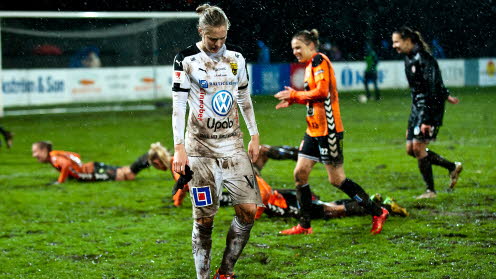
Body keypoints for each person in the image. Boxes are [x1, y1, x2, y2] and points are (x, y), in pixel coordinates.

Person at [171, 4, 262, 279]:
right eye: (213, 38)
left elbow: (244, 97)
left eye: (223, 37)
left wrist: (254, 134)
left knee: (248, 211)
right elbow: (178, 106)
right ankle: (203, 276)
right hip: (200, 149)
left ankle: (226, 271)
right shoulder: (185, 59)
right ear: (201, 31)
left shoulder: (236, 59)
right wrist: (179, 148)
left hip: (233, 144)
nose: (218, 44)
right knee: (205, 220)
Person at [274, 29, 389, 235]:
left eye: (298, 47)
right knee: (300, 174)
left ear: (311, 46)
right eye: (293, 49)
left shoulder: (319, 61)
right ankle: (305, 225)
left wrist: (296, 95)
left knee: (336, 180)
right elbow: (312, 96)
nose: (295, 52)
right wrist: (294, 98)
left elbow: (322, 92)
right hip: (313, 130)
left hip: (329, 130)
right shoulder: (310, 65)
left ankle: (378, 211)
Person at [392, 27, 463, 199]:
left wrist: (426, 119)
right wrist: (413, 119)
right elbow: (419, 91)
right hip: (418, 108)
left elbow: (432, 88)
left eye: (396, 41)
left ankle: (430, 191)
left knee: (418, 147)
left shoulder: (424, 58)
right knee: (410, 149)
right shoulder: (409, 58)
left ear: (408, 40)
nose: (394, 45)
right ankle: (452, 167)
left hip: (430, 109)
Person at [31, 141, 150, 184]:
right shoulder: (55, 154)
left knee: (127, 175)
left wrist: (60, 181)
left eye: (35, 152)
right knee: (126, 172)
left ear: (44, 150)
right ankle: (150, 157)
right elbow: (76, 156)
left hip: (92, 171)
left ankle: (152, 156)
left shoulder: (54, 158)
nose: (34, 155)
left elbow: (66, 165)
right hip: (92, 168)